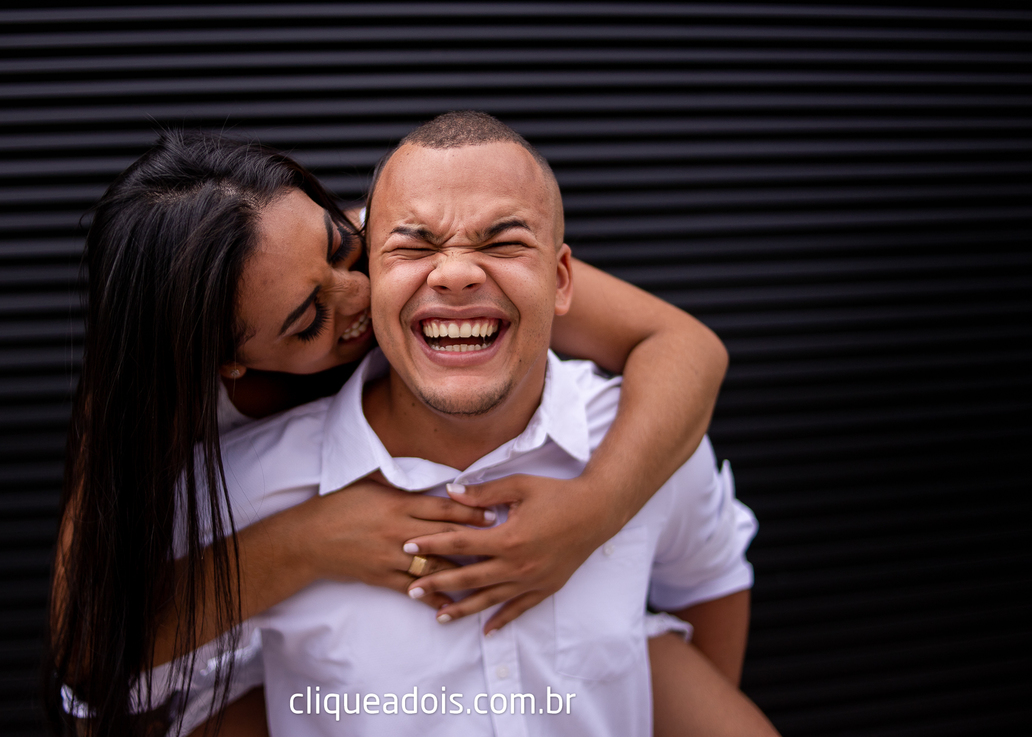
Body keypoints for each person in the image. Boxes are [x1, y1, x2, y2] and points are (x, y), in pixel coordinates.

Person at [44, 123, 753, 736]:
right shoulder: (183, 430)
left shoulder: (417, 246)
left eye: (344, 248)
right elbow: (92, 653)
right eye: (308, 320)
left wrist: (591, 516)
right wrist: (305, 542)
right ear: (228, 362)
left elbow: (686, 345)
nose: (359, 298)